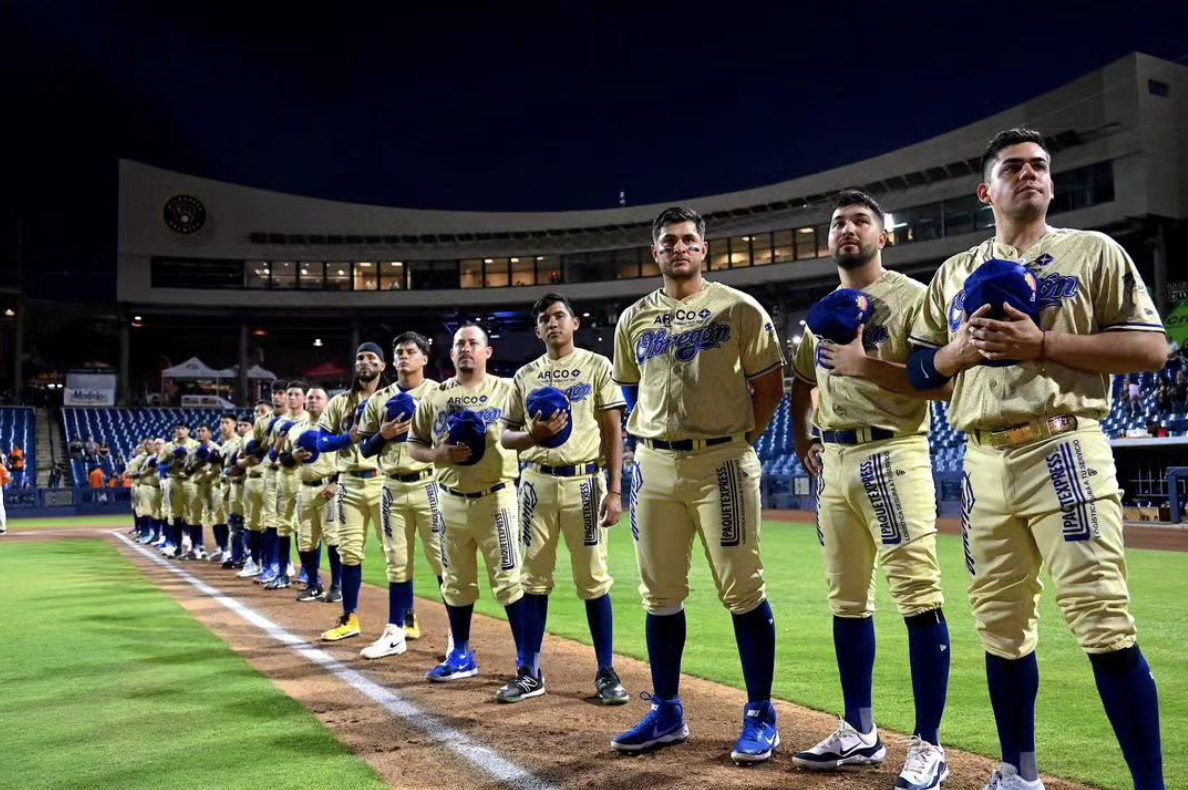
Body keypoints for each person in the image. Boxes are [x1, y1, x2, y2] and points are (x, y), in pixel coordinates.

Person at [908, 128, 1167, 790]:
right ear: (985, 190)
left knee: (1103, 620)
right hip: (982, 458)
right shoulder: (953, 272)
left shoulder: (1092, 251)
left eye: (1040, 167)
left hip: (1063, 446)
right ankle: (1020, 774)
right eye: (1014, 167)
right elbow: (918, 371)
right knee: (1000, 626)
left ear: (1051, 183)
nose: (1030, 175)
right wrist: (957, 353)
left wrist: (1043, 342)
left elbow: (1150, 350)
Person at [610, 206, 786, 763]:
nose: (679, 248)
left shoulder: (738, 308)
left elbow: (771, 387)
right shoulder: (633, 319)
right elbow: (632, 390)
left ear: (703, 250)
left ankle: (761, 711)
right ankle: (666, 710)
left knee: (742, 589)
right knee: (659, 595)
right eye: (669, 241)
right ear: (656, 253)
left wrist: (736, 441)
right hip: (654, 466)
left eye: (689, 240)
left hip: (722, 463)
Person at [789, 190, 953, 786]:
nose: (848, 229)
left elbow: (943, 384)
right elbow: (803, 381)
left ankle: (929, 745)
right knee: (847, 600)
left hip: (893, 450)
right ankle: (860, 731)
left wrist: (864, 366)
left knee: (918, 597)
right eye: (838, 223)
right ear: (828, 239)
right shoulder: (823, 309)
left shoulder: (914, 298)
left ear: (883, 236)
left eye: (861, 221)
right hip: (835, 460)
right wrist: (804, 434)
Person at [500, 293, 629, 705]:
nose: (552, 323)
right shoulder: (525, 375)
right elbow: (505, 436)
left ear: (574, 323)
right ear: (538, 331)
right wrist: (532, 437)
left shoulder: (597, 366)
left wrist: (615, 490)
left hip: (585, 483)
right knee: (533, 580)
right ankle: (530, 671)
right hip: (536, 483)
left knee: (593, 580)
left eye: (559, 316)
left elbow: (613, 432)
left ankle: (606, 671)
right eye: (544, 319)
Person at [408, 325, 526, 688]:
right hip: (449, 499)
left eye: (474, 343)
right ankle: (461, 653)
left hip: (496, 497)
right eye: (460, 343)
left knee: (509, 581)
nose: (466, 349)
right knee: (456, 583)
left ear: (487, 352)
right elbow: (415, 446)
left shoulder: (507, 390)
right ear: (451, 352)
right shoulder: (435, 396)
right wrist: (437, 454)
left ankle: (528, 661)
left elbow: (528, 436)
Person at [353, 332, 447, 659]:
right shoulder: (379, 399)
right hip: (391, 485)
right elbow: (365, 447)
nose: (404, 357)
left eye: (410, 351)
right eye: (399, 352)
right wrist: (385, 434)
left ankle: (456, 637)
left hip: (430, 485)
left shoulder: (439, 393)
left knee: (442, 562)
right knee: (396, 563)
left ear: (423, 358)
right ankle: (395, 632)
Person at [314, 344, 387, 641]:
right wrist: (350, 436)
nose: (365, 362)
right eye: (360, 357)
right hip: (350, 482)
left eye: (371, 358)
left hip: (383, 481)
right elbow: (320, 442)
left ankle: (407, 618)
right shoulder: (339, 403)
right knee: (350, 553)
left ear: (382, 365)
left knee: (395, 553)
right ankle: (350, 618)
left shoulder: (393, 398)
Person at [289, 387, 337, 600]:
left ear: (327, 402)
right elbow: (285, 461)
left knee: (333, 539)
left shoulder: (335, 427)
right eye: (310, 397)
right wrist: (293, 455)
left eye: (318, 398)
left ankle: (337, 586)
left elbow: (348, 458)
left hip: (328, 488)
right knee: (305, 540)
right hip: (304, 487)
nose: (313, 401)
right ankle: (313, 583)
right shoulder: (296, 429)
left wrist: (336, 483)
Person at [0, 461, 9, 535]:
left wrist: (1, 483)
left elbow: (6, 477)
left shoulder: (0, 466)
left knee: (0, 507)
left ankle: (3, 527)